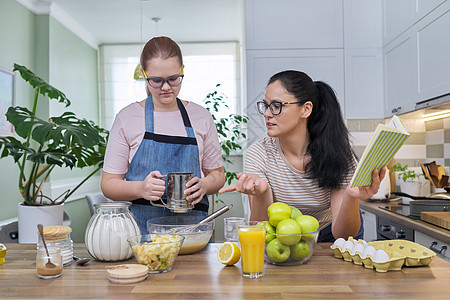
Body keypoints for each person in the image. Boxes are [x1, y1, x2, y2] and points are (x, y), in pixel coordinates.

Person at [219, 70, 386, 242]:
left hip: (331, 233)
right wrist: (261, 193)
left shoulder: (337, 152)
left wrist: (351, 196)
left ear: (306, 109)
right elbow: (262, 230)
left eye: (276, 106)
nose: (267, 114)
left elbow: (343, 235)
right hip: (285, 235)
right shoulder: (258, 153)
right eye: (266, 105)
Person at [101, 36, 225, 234]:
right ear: (144, 74)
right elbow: (108, 184)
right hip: (143, 236)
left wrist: (204, 185)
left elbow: (217, 174)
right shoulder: (127, 118)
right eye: (156, 81)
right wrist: (140, 189)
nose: (166, 87)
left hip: (195, 234)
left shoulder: (201, 117)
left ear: (183, 70)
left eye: (173, 79)